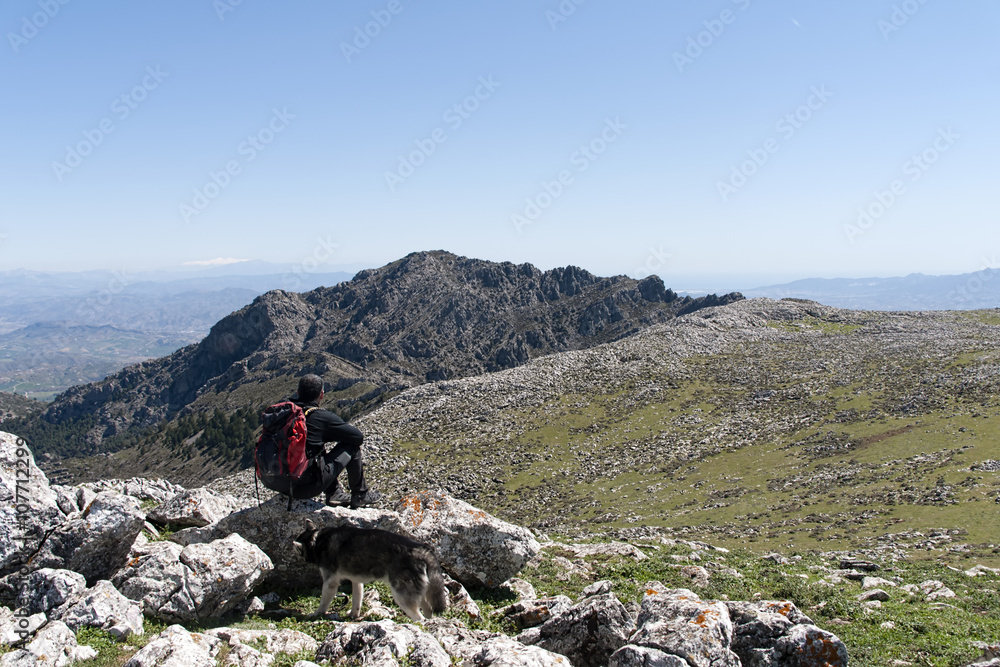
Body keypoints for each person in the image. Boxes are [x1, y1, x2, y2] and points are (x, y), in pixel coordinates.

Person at [291, 373, 380, 509]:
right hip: (304, 487)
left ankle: (334, 493)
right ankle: (360, 496)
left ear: (297, 392)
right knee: (352, 447)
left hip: (278, 482)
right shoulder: (320, 417)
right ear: (321, 395)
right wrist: (330, 434)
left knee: (316, 449)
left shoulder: (286, 413)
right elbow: (357, 437)